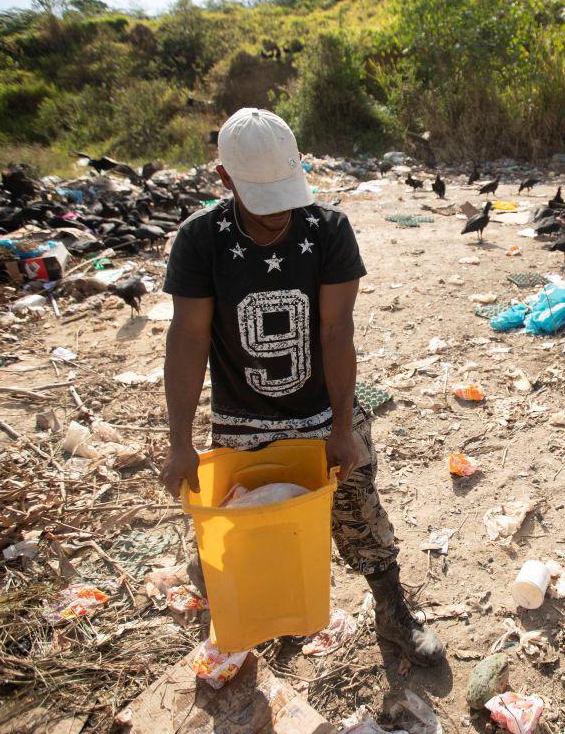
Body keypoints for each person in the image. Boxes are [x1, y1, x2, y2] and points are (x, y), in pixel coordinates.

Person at [159, 108, 444, 666]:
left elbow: (337, 330)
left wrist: (342, 427)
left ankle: (393, 616)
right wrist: (177, 441)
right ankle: (273, 615)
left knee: (359, 510)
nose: (279, 215)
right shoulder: (200, 241)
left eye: (287, 195)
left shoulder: (328, 231)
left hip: (321, 410)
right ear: (225, 180)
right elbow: (188, 338)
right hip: (242, 423)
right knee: (253, 528)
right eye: (263, 202)